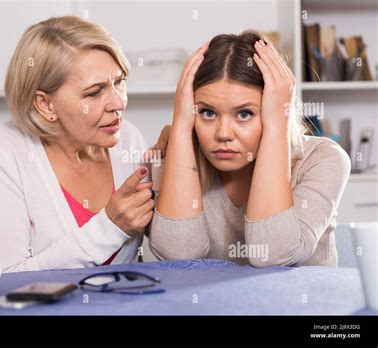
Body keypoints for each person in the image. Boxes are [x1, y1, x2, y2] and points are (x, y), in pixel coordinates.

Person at [148, 31, 351, 267]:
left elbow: (273, 255)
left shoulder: (322, 159)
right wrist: (181, 127)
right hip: (211, 305)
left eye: (244, 114)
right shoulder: (173, 156)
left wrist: (277, 125)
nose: (223, 134)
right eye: (208, 112)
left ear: (274, 108)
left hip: (304, 304)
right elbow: (179, 257)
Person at [0, 16, 154, 272]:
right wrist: (110, 227)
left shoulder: (128, 138)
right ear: (46, 104)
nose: (118, 103)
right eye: (94, 92)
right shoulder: (4, 149)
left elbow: (170, 246)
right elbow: (3, 278)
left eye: (119, 82)